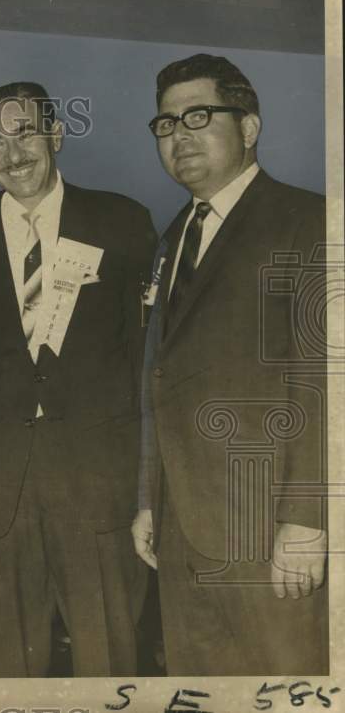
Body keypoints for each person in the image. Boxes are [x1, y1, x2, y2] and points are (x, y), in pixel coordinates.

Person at [0, 82, 157, 676]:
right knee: (4, 663)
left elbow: (146, 356)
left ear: (56, 134)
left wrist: (142, 487)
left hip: (96, 482)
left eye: (25, 132)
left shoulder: (121, 221)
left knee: (108, 656)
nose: (13, 153)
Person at [133, 53, 328, 675]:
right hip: (181, 529)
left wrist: (307, 522)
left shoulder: (309, 221)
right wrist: (147, 498)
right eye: (165, 124)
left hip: (268, 527)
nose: (179, 136)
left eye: (199, 116)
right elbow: (158, 377)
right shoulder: (173, 236)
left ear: (249, 127)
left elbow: (323, 381)